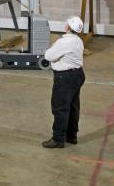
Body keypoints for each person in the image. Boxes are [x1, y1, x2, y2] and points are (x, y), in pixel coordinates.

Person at [42, 16, 85, 149]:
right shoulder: (78, 40)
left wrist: (54, 45)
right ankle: (72, 136)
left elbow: (48, 56)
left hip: (65, 78)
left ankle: (58, 139)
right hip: (78, 75)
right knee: (73, 107)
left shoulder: (64, 42)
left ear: (68, 27)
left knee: (60, 108)